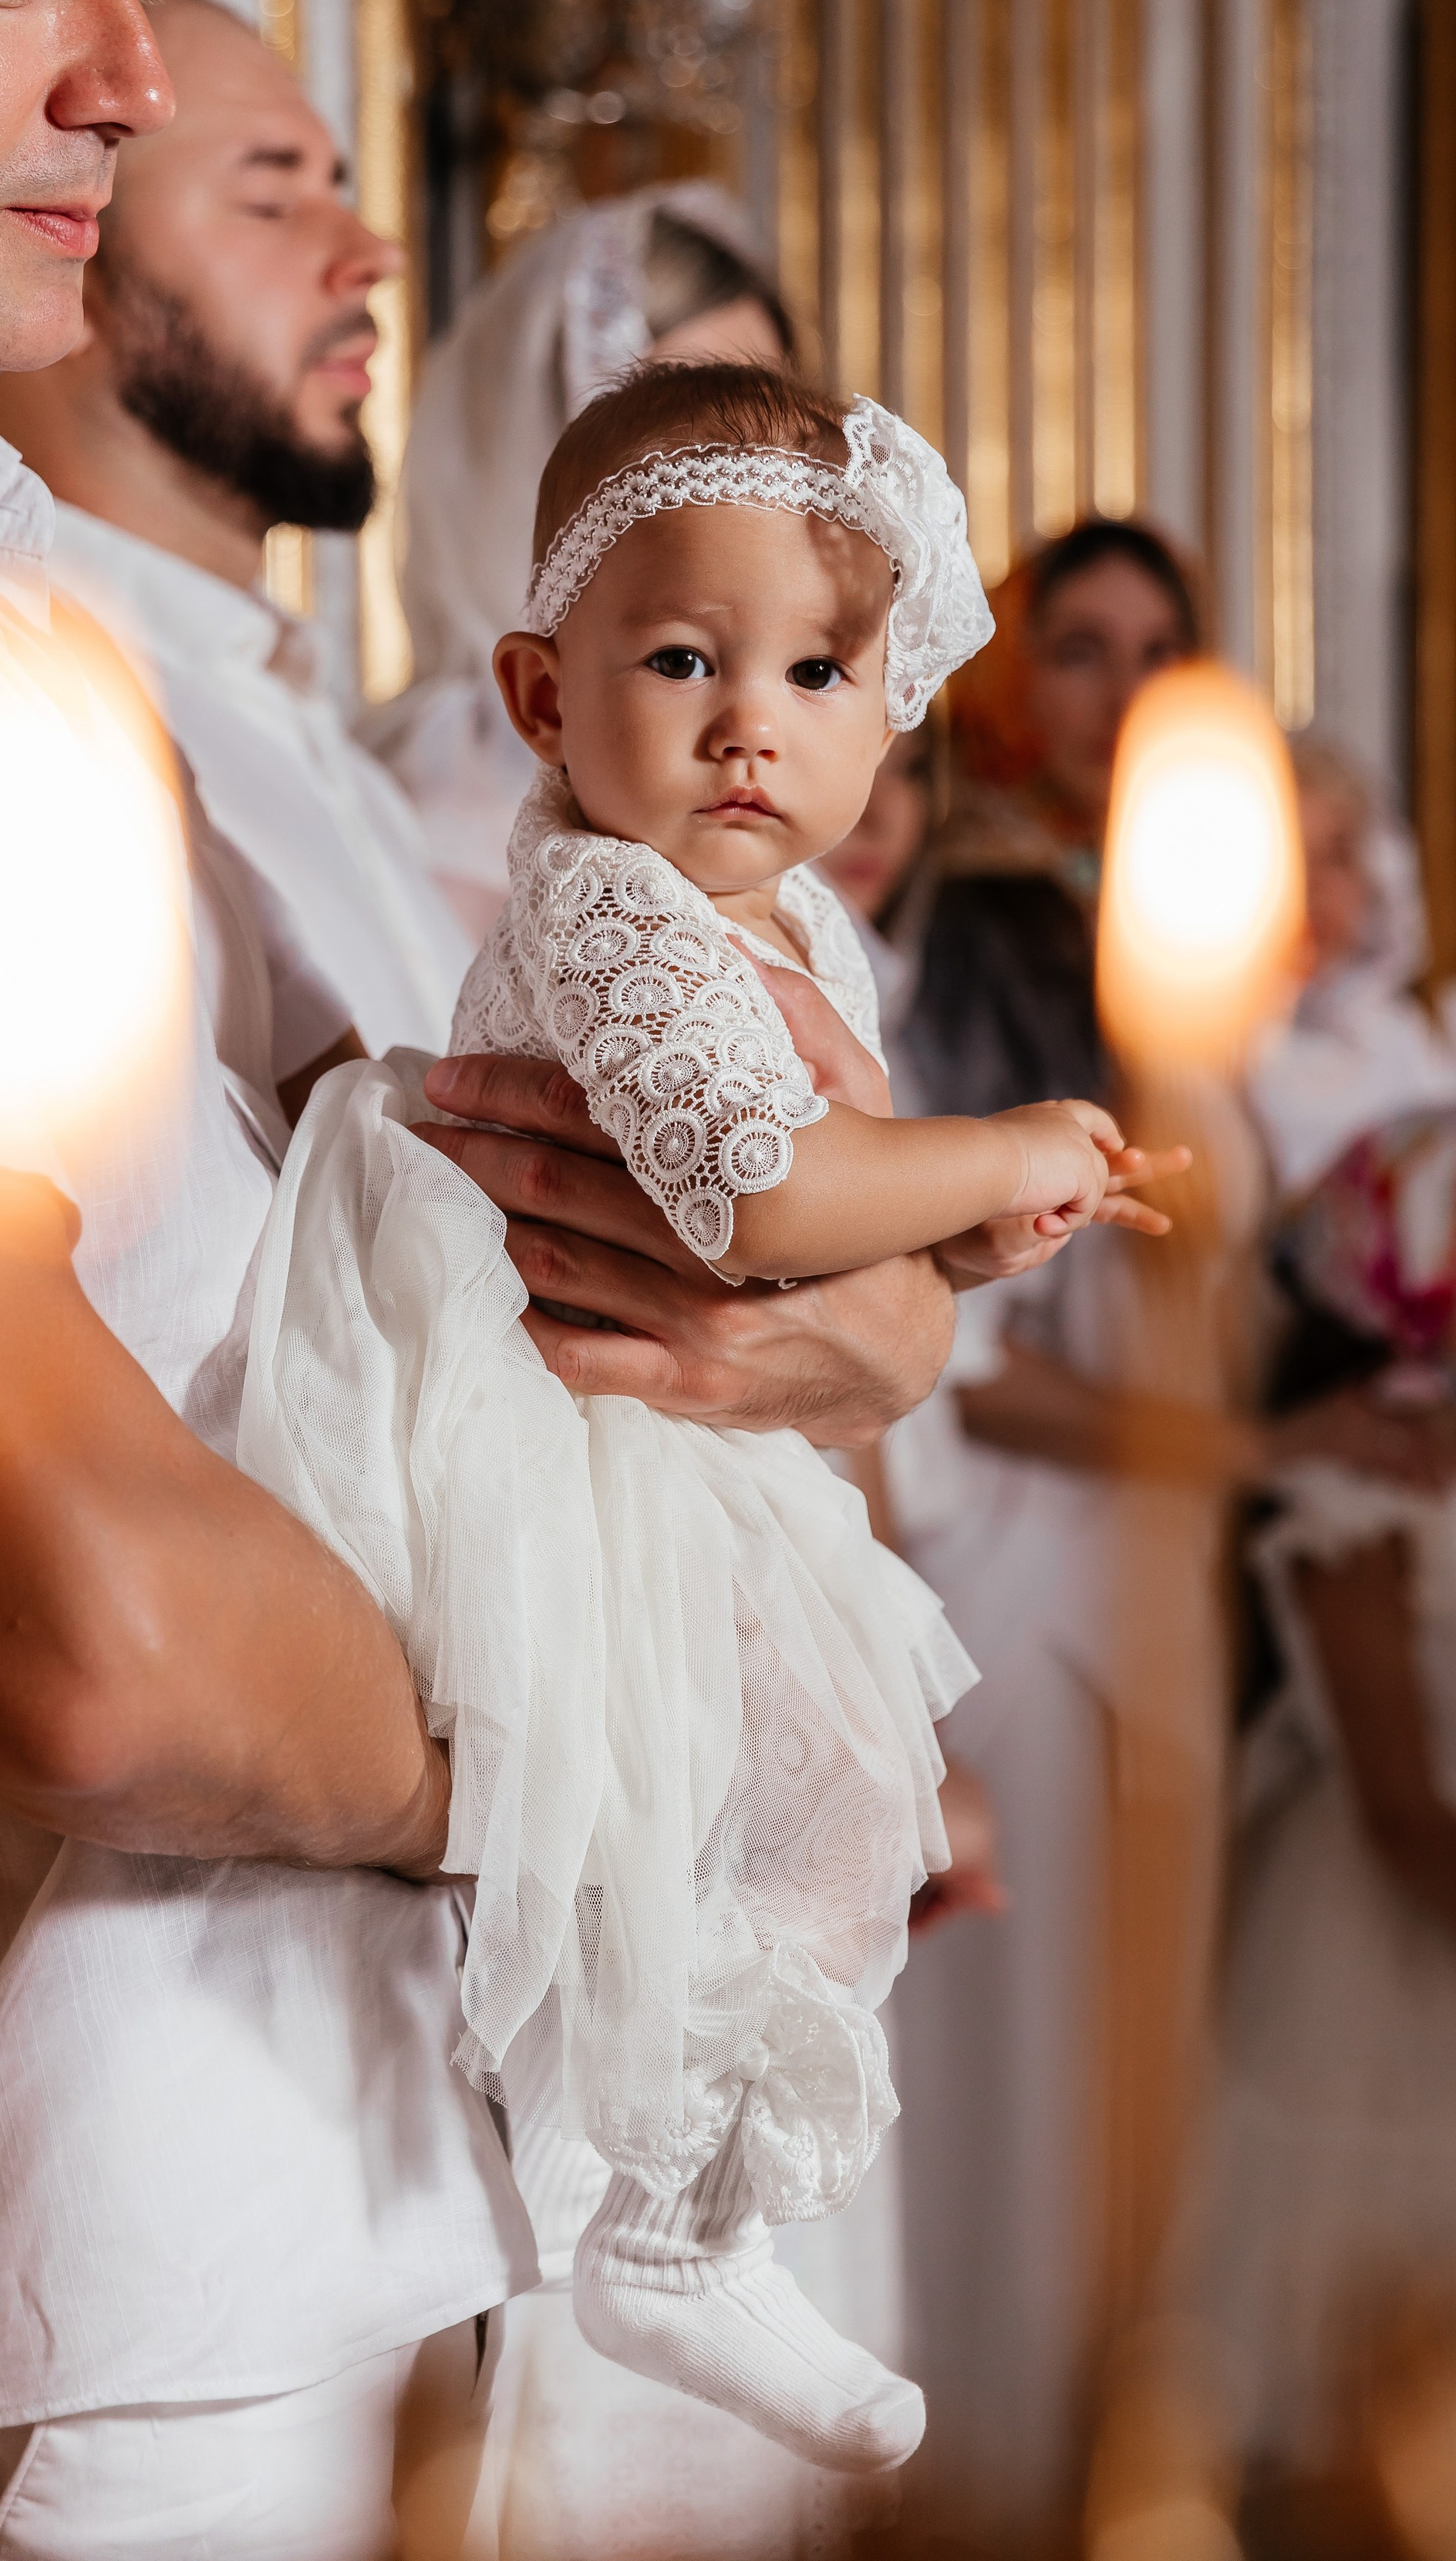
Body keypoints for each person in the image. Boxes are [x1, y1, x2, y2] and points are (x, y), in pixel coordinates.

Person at [0, 0, 957, 2553]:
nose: (114, 64)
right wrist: (629, 1755)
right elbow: (73, 1623)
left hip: (259, 2188)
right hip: (27, 2242)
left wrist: (800, 1344)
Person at [241, 365, 1182, 2483]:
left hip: (715, 1439)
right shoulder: (608, 909)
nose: (756, 719)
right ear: (542, 698)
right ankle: (647, 2216)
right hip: (583, 1436)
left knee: (825, 1821)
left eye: (820, 667)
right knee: (675, 1814)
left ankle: (690, 2218)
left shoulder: (792, 915)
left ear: (892, 707)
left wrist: (973, 1235)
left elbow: (840, 1237)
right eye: (684, 658)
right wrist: (993, 1142)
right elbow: (755, 1197)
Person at [855, 521, 1456, 2545]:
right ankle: (994, 2456)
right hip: (1018, 1554)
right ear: (1010, 688)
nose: (1125, 698)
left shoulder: (1193, 935)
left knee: (1141, 2035)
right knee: (1008, 2045)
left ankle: (1128, 2436)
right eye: (1083, 652)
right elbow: (968, 1351)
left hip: (1162, 1556)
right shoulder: (982, 935)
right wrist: (1237, 1448)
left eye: (1164, 655)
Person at [1186, 1103, 1456, 2484]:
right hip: (1423, 1940)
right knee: (1409, 2364)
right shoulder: (1354, 1498)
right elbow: (1403, 1810)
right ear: (1398, 1261)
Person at [0, 0, 472, 1073]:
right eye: (270, 200)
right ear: (67, 244)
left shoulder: (332, 759)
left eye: (336, 186)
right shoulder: (10, 727)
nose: (373, 253)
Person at [374, 184, 794, 939]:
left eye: (767, 428)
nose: (743, 478)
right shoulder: (441, 820)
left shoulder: (789, 739)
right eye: (686, 439)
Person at [1246, 733, 1456, 1199]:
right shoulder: (1206, 1054)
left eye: (1335, 858)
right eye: (1289, 859)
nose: (1314, 887)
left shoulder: (1402, 1040)